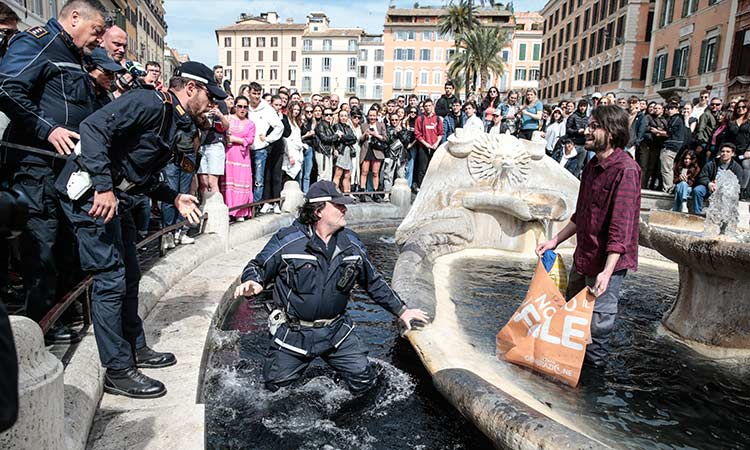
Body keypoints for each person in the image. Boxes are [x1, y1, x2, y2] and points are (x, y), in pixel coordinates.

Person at [55, 61, 222, 398]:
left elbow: (141, 174)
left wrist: (174, 197)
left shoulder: (173, 119)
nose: (212, 105)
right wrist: (103, 187)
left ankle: (135, 347)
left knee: (130, 274)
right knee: (110, 278)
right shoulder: (148, 103)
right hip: (92, 195)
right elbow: (92, 129)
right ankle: (117, 370)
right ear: (190, 88)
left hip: (117, 197)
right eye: (209, 96)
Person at [233, 180, 429, 393]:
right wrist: (253, 280)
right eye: (338, 205)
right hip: (293, 334)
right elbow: (258, 266)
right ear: (318, 211)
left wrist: (402, 310)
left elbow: (373, 282)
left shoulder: (352, 245)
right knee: (274, 393)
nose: (344, 208)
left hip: (337, 332)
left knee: (365, 382)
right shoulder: (288, 241)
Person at [0, 0, 106, 343]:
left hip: (63, 170)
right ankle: (36, 331)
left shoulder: (75, 53)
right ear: (75, 18)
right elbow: (6, 88)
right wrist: (48, 128)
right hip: (36, 165)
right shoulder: (38, 40)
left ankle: (56, 315)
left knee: (63, 245)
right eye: (97, 30)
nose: (98, 39)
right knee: (41, 249)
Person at [536, 105, 641, 366]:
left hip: (607, 265)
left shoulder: (626, 170)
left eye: (594, 126)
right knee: (570, 317)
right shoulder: (592, 164)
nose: (587, 130)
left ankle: (591, 394)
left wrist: (606, 273)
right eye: (589, 125)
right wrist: (555, 240)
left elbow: (621, 227)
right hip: (584, 256)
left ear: (612, 132)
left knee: (597, 331)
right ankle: (568, 370)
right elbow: (580, 215)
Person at [221, 95, 256, 221]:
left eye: (245, 107)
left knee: (242, 182)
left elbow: (250, 140)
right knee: (228, 182)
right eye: (240, 106)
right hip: (229, 155)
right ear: (235, 106)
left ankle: (240, 211)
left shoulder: (250, 124)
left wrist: (235, 139)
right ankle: (228, 210)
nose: (242, 109)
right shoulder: (228, 119)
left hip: (242, 157)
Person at [247, 82, 283, 202]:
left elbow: (279, 126)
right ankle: (246, 204)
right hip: (245, 147)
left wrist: (268, 139)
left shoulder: (267, 109)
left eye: (258, 94)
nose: (256, 96)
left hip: (260, 149)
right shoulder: (245, 107)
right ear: (249, 93)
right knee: (247, 179)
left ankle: (255, 205)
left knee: (259, 180)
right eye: (254, 93)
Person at [260, 95, 291, 214]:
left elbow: (287, 132)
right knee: (267, 176)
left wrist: (282, 119)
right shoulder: (266, 116)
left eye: (280, 105)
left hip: (278, 149)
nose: (278, 107)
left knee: (277, 176)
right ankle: (266, 202)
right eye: (275, 105)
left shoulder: (284, 117)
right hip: (267, 148)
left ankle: (276, 202)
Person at [692, 143, 744, 214]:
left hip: (725, 191)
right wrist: (708, 183)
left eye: (728, 152)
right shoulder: (711, 164)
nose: (724, 153)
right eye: (722, 151)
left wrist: (723, 187)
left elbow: (738, 183)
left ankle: (720, 217)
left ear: (732, 154)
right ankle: (697, 214)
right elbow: (702, 177)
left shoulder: (737, 168)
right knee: (697, 190)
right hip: (710, 188)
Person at [413, 98, 443, 192]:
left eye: (429, 105)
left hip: (434, 147)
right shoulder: (420, 119)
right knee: (422, 168)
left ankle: (432, 186)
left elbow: (440, 133)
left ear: (433, 106)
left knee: (434, 168)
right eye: (426, 106)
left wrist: (436, 143)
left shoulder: (437, 119)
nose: (428, 108)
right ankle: (421, 187)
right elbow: (417, 134)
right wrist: (426, 144)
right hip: (423, 147)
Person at [358, 107, 387, 200]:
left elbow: (385, 138)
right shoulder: (363, 125)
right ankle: (362, 192)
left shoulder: (381, 125)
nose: (372, 117)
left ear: (377, 116)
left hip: (377, 150)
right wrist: (365, 134)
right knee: (364, 172)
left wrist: (375, 134)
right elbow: (360, 140)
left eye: (374, 115)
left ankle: (375, 193)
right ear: (367, 116)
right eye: (370, 115)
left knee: (375, 173)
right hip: (366, 149)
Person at [661, 103, 688, 193]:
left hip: (671, 146)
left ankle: (668, 188)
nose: (669, 110)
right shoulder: (679, 118)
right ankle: (669, 187)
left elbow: (670, 132)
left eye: (672, 108)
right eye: (668, 108)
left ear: (677, 109)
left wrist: (658, 132)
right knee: (669, 167)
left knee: (666, 168)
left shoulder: (676, 118)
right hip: (675, 146)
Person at [727, 100, 750, 195]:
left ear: (747, 109)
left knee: (746, 165)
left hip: (745, 150)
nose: (740, 109)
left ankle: (743, 189)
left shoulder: (749, 122)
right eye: (738, 107)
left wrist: (749, 150)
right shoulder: (731, 122)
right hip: (733, 150)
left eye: (743, 107)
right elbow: (727, 138)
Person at [332, 109, 357, 193]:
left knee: (347, 174)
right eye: (341, 116)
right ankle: (334, 192)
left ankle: (347, 192)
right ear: (339, 117)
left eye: (345, 116)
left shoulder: (348, 127)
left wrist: (344, 137)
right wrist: (345, 137)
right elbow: (340, 138)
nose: (343, 118)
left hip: (348, 152)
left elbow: (354, 138)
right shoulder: (336, 126)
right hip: (341, 151)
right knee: (338, 173)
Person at [566, 99, 589, 177]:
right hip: (574, 143)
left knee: (579, 165)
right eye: (581, 106)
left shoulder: (587, 118)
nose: (582, 108)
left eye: (584, 106)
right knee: (569, 163)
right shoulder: (573, 116)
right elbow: (568, 129)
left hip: (583, 144)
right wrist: (577, 131)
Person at [299, 104, 318, 192]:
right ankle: (299, 192)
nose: (309, 113)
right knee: (300, 173)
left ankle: (306, 192)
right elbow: (296, 137)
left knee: (307, 174)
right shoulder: (301, 122)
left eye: (311, 111)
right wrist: (306, 135)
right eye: (307, 111)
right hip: (301, 148)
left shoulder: (314, 123)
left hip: (310, 148)